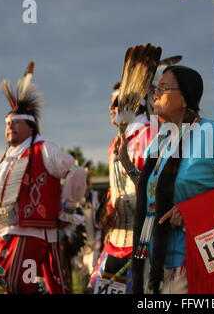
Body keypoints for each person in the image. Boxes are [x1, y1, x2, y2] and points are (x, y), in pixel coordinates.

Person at [117, 65, 214, 294]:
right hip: (155, 258)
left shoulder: (211, 133)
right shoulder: (160, 139)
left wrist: (193, 209)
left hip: (192, 258)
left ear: (184, 98)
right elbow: (152, 193)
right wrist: (128, 165)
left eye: (163, 88)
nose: (155, 94)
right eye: (155, 88)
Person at [0, 62, 87, 294]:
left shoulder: (44, 149)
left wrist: (68, 209)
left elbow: (75, 172)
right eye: (7, 124)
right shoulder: (6, 156)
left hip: (32, 231)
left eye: (15, 123)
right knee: (5, 285)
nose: (10, 128)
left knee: (20, 284)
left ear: (30, 125)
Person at [90, 82, 153, 293]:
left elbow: (153, 187)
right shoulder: (115, 142)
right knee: (98, 285)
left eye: (116, 103)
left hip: (145, 238)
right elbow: (116, 186)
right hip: (117, 236)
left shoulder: (150, 135)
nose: (110, 108)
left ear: (135, 106)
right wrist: (109, 207)